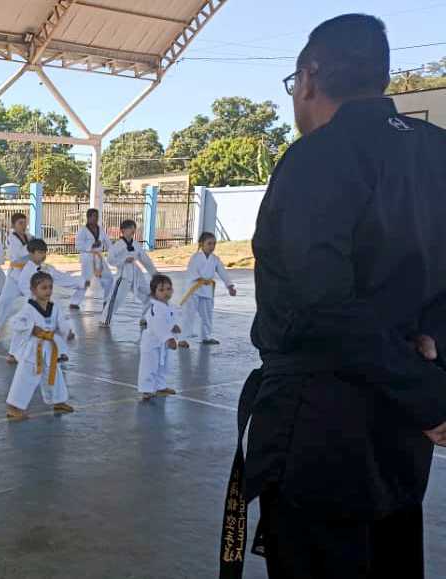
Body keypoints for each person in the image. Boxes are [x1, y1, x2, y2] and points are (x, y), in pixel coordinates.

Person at [220, 14, 446, 579]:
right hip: (401, 437)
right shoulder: (435, 151)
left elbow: (319, 308)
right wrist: (432, 363)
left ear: (309, 78)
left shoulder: (316, 159)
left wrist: (429, 395)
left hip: (322, 433)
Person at [5, 271, 75, 420]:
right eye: (44, 288)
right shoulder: (29, 308)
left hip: (50, 347)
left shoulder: (54, 307)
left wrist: (67, 332)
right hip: (33, 350)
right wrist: (32, 328)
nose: (48, 291)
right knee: (25, 377)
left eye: (50, 287)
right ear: (33, 290)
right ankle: (13, 407)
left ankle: (58, 401)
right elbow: (14, 322)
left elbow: (61, 322)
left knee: (55, 374)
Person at [177, 232, 235, 348]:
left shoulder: (215, 259)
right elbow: (192, 272)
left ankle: (206, 337)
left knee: (207, 314)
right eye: (209, 243)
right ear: (201, 244)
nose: (212, 246)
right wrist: (201, 279)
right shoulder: (196, 258)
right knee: (189, 314)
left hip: (207, 289)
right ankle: (182, 339)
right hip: (194, 289)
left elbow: (222, 272)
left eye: (214, 244)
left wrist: (230, 286)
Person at [101, 219, 157, 329]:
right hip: (123, 275)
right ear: (122, 230)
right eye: (130, 228)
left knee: (151, 295)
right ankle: (105, 320)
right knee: (116, 299)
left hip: (136, 275)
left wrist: (154, 273)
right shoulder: (117, 245)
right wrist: (124, 260)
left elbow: (145, 259)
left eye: (134, 228)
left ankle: (145, 317)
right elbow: (110, 260)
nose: (133, 230)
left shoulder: (136, 245)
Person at [0, 213, 32, 338]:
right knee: (4, 301)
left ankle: (34, 325)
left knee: (36, 301)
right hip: (14, 276)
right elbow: (18, 254)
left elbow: (36, 250)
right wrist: (31, 247)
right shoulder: (11, 238)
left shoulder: (30, 237)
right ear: (13, 225)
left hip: (28, 276)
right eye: (20, 223)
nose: (23, 226)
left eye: (25, 222)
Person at [137, 274, 180, 401]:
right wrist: (169, 338)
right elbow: (157, 325)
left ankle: (161, 387)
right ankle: (146, 390)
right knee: (149, 366)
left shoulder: (169, 306)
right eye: (161, 290)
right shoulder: (155, 307)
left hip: (162, 344)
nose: (166, 292)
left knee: (163, 366)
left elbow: (169, 320)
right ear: (154, 293)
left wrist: (174, 326)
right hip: (151, 343)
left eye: (168, 289)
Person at [74, 208, 113, 309]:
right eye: (94, 216)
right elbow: (78, 245)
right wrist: (91, 245)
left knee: (109, 278)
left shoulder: (101, 229)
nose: (96, 219)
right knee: (86, 280)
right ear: (88, 217)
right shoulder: (83, 230)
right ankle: (75, 302)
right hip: (87, 257)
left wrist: (113, 252)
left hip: (99, 257)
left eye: (97, 216)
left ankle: (106, 301)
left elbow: (107, 242)